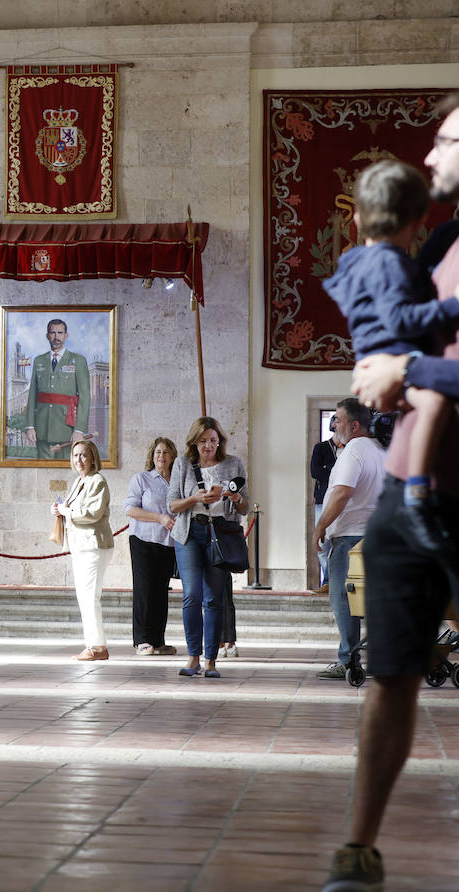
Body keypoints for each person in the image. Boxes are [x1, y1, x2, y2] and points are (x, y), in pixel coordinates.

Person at [326, 93, 459, 892]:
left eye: (449, 138)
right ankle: (358, 844)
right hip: (412, 495)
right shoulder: (435, 240)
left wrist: (406, 369)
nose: (433, 150)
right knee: (391, 672)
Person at [325, 158, 459, 554]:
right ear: (417, 223)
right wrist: (451, 307)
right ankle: (418, 489)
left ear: (359, 220)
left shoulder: (359, 259)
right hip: (394, 352)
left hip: (381, 351)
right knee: (431, 402)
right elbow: (401, 318)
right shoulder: (391, 263)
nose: (434, 158)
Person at [167, 416, 248, 679]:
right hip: (190, 533)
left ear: (219, 441)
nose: (208, 446)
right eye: (203, 441)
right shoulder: (182, 464)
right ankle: (193, 658)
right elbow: (172, 506)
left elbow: (245, 507)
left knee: (214, 597)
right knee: (192, 595)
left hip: (220, 534)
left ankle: (211, 660)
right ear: (194, 442)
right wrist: (195, 498)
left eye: (213, 440)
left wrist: (235, 498)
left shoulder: (233, 463)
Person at [312, 398, 386, 680]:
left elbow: (342, 493)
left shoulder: (354, 451)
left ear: (354, 426)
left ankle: (348, 659)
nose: (334, 425)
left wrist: (321, 526)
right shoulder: (380, 449)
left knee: (345, 598)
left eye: (338, 420)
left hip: (351, 537)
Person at [52, 439, 114, 661]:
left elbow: (92, 513)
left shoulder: (98, 481)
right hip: (81, 545)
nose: (79, 460)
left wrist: (66, 511)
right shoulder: (79, 481)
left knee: (89, 598)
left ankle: (97, 647)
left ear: (93, 458)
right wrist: (59, 510)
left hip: (94, 545)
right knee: (85, 597)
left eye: (83, 455)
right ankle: (93, 644)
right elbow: (72, 509)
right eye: (75, 455)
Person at [124, 436, 178, 656]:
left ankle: (158, 640)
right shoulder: (142, 479)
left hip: (167, 543)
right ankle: (142, 640)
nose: (161, 456)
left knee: (160, 592)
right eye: (157, 452)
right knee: (144, 591)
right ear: (152, 456)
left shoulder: (178, 481)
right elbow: (130, 509)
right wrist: (159, 517)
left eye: (165, 452)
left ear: (173, 456)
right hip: (142, 541)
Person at [23, 318, 90, 460]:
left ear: (66, 335)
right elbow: (32, 395)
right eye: (52, 333)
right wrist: (29, 425)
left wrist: (79, 429)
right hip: (43, 428)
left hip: (67, 429)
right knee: (42, 471)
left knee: (66, 471)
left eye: (60, 333)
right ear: (47, 335)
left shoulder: (77, 360)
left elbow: (85, 398)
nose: (56, 337)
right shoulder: (39, 361)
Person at [311, 417, 344, 593]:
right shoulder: (322, 448)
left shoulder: (350, 449)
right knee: (323, 545)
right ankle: (327, 581)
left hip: (345, 501)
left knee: (343, 541)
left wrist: (329, 470)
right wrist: (335, 471)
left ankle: (342, 580)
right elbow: (315, 471)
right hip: (323, 500)